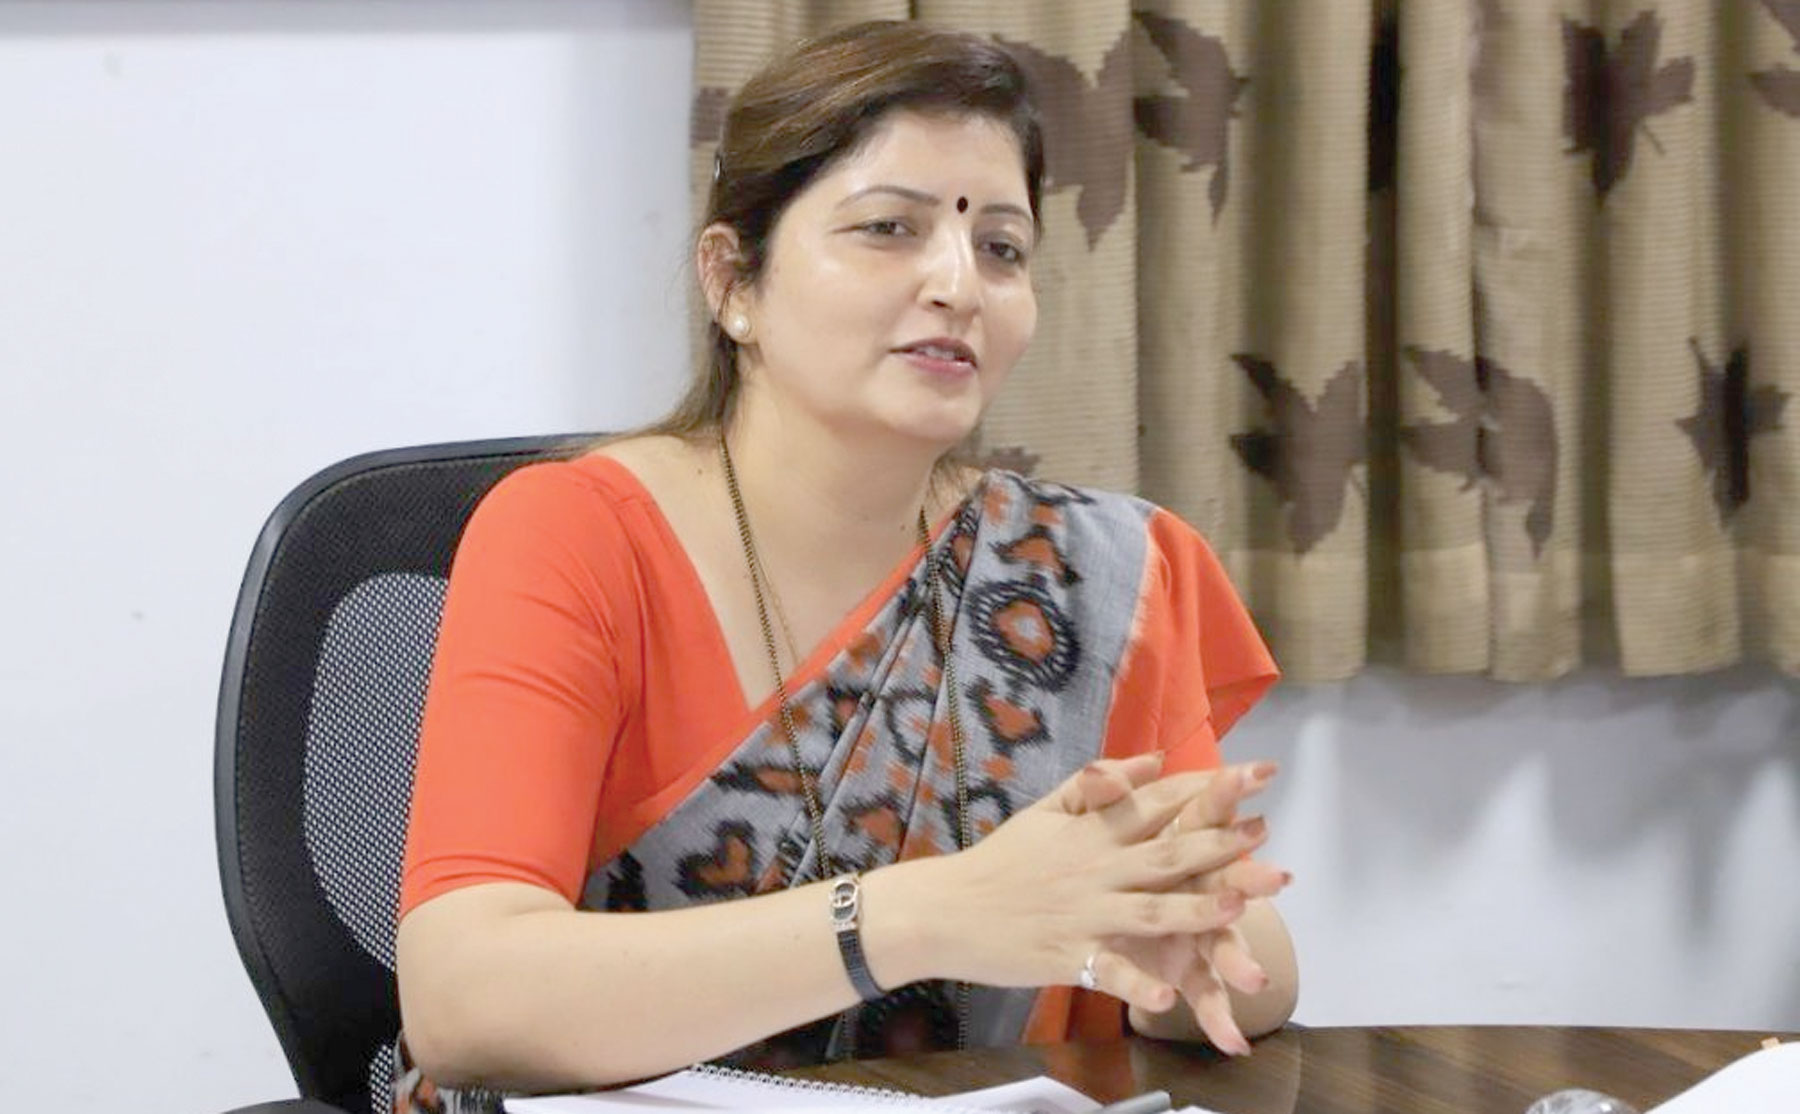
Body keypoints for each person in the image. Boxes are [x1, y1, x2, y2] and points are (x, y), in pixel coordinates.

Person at [393, 19, 1297, 1110]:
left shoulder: (1093, 574)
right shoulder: (577, 536)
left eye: (1002, 248)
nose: (958, 283)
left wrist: (1172, 943)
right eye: (888, 229)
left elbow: (1247, 972)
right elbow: (464, 1000)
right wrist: (926, 914)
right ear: (733, 281)